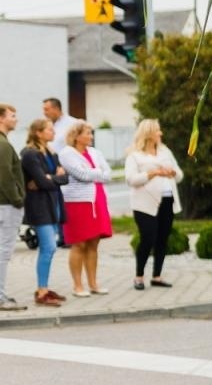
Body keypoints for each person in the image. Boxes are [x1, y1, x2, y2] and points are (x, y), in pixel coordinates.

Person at [125, 118, 184, 290]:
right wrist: (154, 173)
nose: (161, 133)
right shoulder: (134, 155)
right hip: (144, 203)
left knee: (162, 239)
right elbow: (131, 180)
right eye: (158, 130)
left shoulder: (165, 151)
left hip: (167, 200)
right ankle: (139, 276)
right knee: (147, 238)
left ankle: (157, 276)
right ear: (149, 134)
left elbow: (179, 175)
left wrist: (172, 173)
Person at [59, 122, 113, 297]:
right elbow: (81, 175)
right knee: (79, 243)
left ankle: (93, 284)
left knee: (93, 243)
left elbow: (109, 174)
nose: (91, 136)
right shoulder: (67, 153)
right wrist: (97, 173)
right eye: (88, 133)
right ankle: (77, 286)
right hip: (77, 202)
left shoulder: (95, 153)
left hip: (97, 200)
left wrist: (92, 172)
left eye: (91, 133)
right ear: (76, 135)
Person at [19, 118, 67, 307]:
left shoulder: (51, 152)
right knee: (49, 247)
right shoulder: (30, 154)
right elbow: (44, 181)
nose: (53, 132)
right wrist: (54, 178)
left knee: (49, 248)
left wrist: (51, 178)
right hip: (39, 207)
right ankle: (41, 291)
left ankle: (44, 288)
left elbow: (65, 178)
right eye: (49, 129)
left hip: (52, 203)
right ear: (38, 132)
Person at [0, 104, 25, 311]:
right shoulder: (3, 145)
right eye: (12, 116)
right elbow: (5, 176)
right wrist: (17, 199)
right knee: (3, 253)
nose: (16, 119)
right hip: (6, 205)